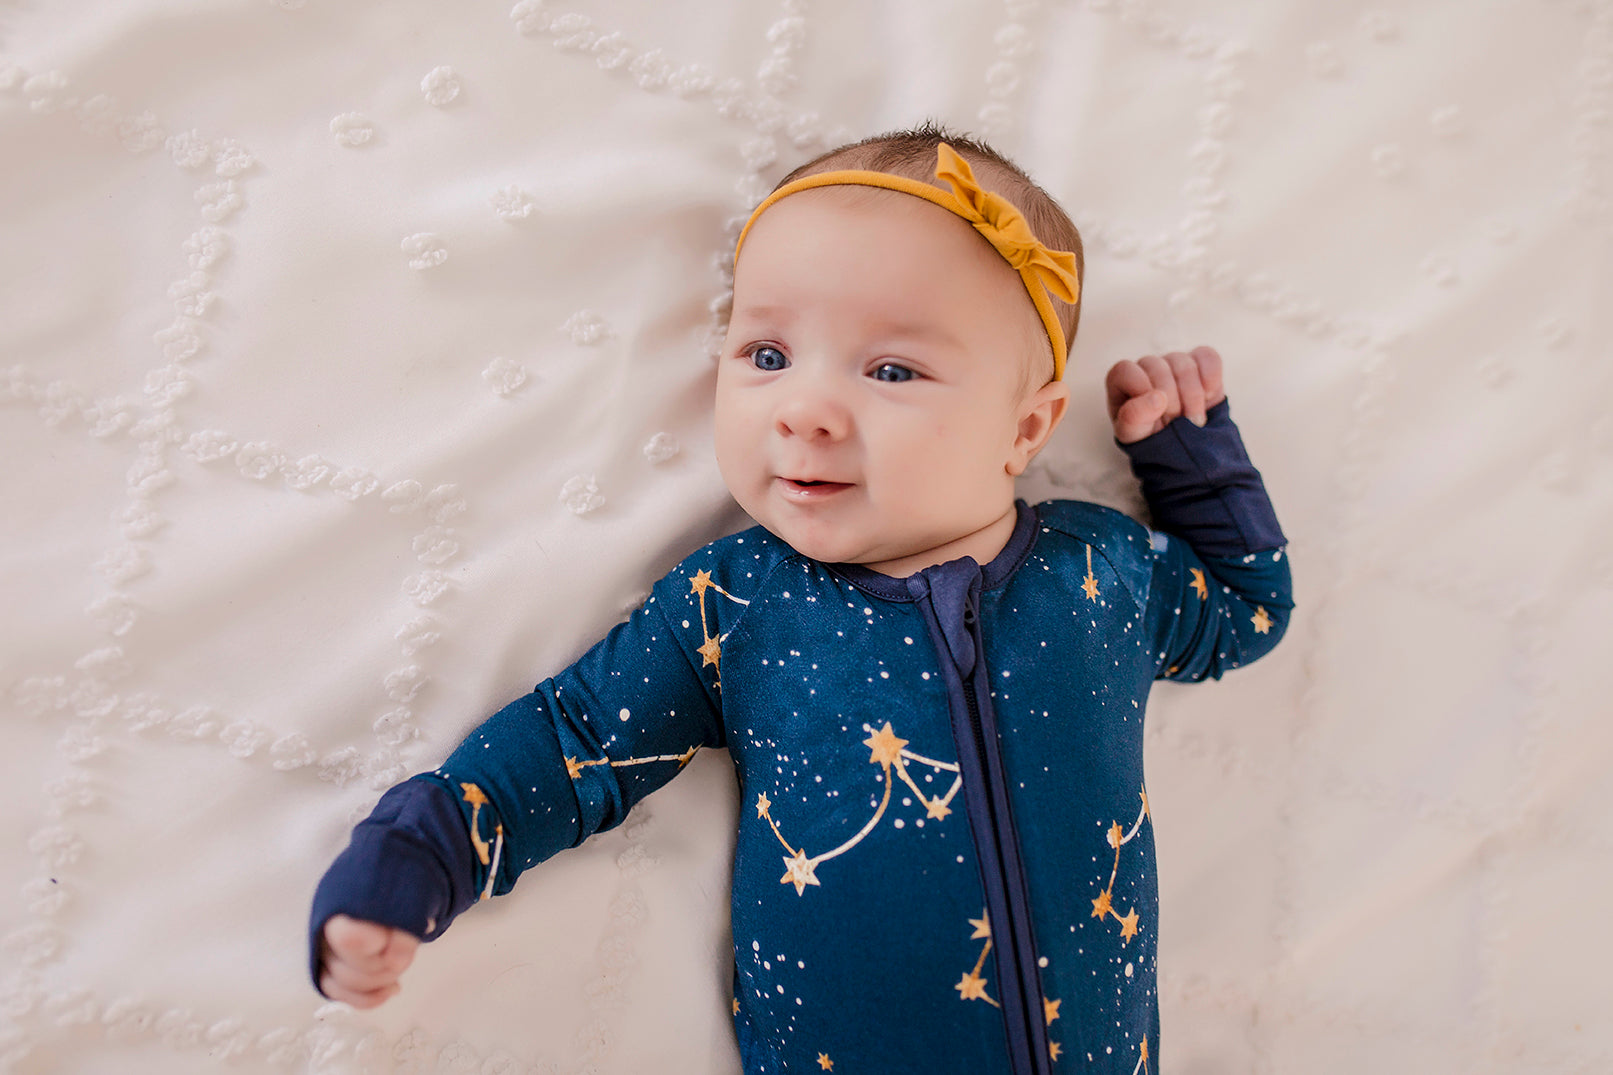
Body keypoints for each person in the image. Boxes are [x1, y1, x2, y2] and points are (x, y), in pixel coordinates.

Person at [309, 123, 1292, 1075]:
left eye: (890, 369)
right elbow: (571, 745)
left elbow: (1246, 614)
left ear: (1025, 426)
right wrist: (412, 859)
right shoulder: (734, 606)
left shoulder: (1103, 575)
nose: (806, 410)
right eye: (767, 355)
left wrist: (1188, 456)